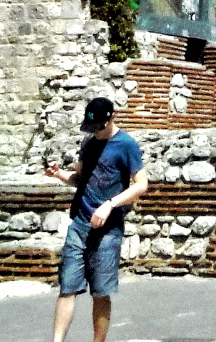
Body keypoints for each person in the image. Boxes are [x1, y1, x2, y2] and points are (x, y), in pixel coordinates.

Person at [44, 96, 148, 342]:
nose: (95, 132)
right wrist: (58, 174)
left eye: (99, 127)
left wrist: (110, 204)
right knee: (67, 288)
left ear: (112, 118)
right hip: (80, 224)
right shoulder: (88, 143)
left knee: (100, 292)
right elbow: (80, 180)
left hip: (108, 229)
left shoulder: (126, 145)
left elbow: (141, 184)